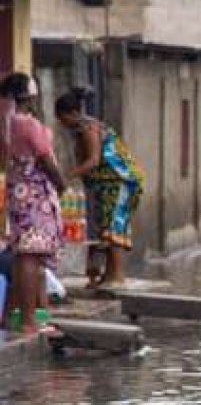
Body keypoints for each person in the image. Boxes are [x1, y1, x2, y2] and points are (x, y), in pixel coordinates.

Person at [54, 88, 145, 289]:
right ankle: (108, 275)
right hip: (107, 182)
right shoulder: (82, 128)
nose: (62, 123)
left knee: (113, 225)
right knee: (104, 226)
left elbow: (93, 161)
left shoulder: (88, 129)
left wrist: (67, 175)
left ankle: (117, 276)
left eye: (62, 118)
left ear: (72, 113)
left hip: (119, 180)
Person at [1, 73, 66, 334]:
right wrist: (61, 183)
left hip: (19, 191)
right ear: (28, 95)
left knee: (22, 255)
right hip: (33, 195)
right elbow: (45, 158)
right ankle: (29, 320)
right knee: (30, 255)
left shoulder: (7, 122)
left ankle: (11, 316)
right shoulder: (27, 124)